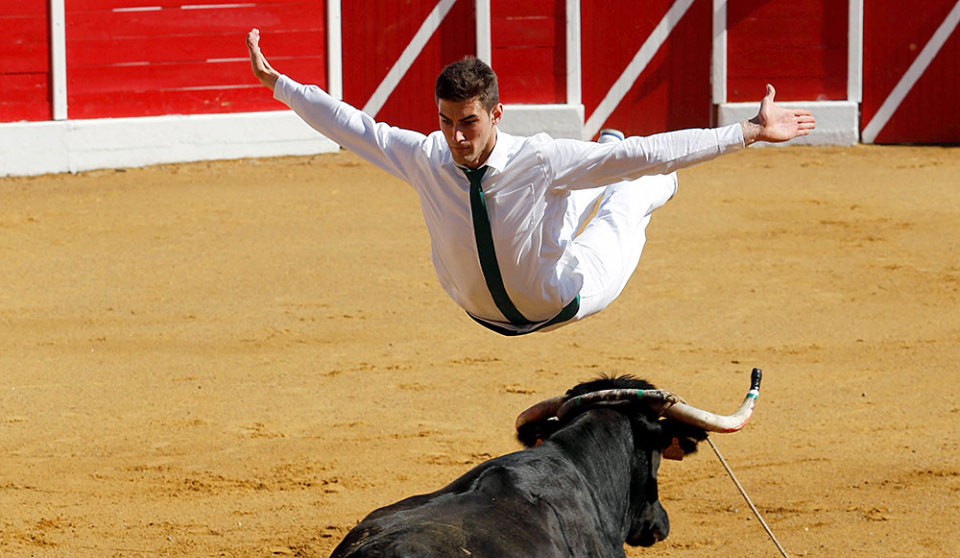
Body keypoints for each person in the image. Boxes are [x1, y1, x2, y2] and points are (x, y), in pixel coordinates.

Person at [246, 28, 815, 336]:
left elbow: (648, 151)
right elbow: (351, 126)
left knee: (628, 188)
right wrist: (280, 85)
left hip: (563, 297)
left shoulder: (538, 157)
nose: (456, 137)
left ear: (497, 114)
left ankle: (636, 175)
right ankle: (602, 153)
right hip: (482, 307)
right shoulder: (425, 156)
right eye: (446, 121)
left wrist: (747, 131)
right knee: (579, 181)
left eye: (469, 122)